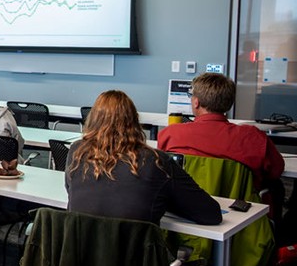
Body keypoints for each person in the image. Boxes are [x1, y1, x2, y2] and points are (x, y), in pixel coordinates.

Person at [66, 90, 222, 225]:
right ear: (134, 120)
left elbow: (71, 190)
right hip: (135, 258)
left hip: (81, 256)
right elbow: (210, 214)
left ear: (92, 119)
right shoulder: (156, 160)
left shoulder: (77, 152)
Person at [158, 73, 284, 190]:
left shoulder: (170, 134)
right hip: (238, 208)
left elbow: (161, 170)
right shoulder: (252, 137)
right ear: (230, 103)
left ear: (196, 102)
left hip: (184, 207)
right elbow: (275, 171)